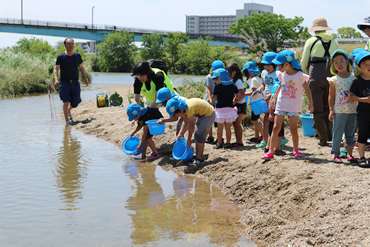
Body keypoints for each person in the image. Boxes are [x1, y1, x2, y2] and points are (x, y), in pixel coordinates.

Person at [263, 50, 314, 160]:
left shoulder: (300, 76)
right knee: (276, 127)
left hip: (293, 106)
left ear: (287, 64)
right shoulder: (281, 74)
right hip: (281, 104)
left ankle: (295, 150)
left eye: (279, 65)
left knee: (293, 129)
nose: (277, 68)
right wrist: (273, 98)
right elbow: (280, 86)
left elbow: (307, 90)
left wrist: (311, 103)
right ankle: (270, 152)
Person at [301, 17, 339, 146]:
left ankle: (322, 138)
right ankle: (329, 136)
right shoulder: (334, 41)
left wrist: (301, 74)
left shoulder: (311, 41)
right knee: (329, 106)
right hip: (331, 75)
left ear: (315, 29)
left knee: (317, 109)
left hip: (316, 75)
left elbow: (304, 60)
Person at [327, 49, 357, 163]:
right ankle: (336, 154)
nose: (339, 64)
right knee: (337, 133)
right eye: (336, 62)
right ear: (333, 65)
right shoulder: (334, 79)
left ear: (347, 62)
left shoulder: (354, 78)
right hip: (339, 111)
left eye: (341, 61)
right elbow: (331, 96)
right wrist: (331, 110)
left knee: (350, 133)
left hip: (352, 110)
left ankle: (350, 154)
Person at [166, 97, 215, 165]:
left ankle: (199, 159)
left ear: (179, 110)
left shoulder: (188, 108)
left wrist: (189, 140)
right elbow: (185, 122)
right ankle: (198, 156)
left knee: (199, 135)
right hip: (202, 115)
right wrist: (181, 133)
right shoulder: (184, 107)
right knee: (197, 135)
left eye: (175, 115)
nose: (175, 117)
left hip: (209, 115)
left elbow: (191, 126)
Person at [53, 38, 89, 125]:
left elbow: (81, 67)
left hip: (75, 83)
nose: (71, 45)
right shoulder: (61, 57)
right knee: (66, 101)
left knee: (76, 101)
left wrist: (85, 78)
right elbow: (56, 69)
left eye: (72, 43)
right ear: (65, 45)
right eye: (68, 44)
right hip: (64, 83)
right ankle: (67, 120)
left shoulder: (77, 55)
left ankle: (69, 110)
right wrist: (56, 79)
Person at [209, 68, 241, 149]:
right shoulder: (233, 85)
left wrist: (211, 100)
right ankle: (228, 143)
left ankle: (219, 143)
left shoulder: (217, 87)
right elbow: (239, 95)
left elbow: (212, 99)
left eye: (216, 79)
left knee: (220, 127)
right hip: (230, 109)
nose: (215, 80)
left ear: (220, 78)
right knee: (228, 127)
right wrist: (234, 100)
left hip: (220, 110)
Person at [349, 51, 370, 166]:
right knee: (362, 134)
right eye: (365, 64)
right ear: (359, 67)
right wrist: (365, 100)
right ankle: (362, 157)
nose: (368, 67)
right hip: (362, 113)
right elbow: (351, 96)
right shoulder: (356, 80)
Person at [241, 61, 264, 143]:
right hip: (259, 101)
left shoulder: (253, 80)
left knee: (253, 120)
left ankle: (264, 135)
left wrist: (243, 94)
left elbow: (253, 93)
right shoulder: (258, 78)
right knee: (256, 120)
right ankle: (257, 136)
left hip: (256, 102)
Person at [203, 60, 225, 144]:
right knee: (209, 119)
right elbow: (208, 89)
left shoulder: (223, 77)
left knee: (219, 121)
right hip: (209, 100)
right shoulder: (209, 77)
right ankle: (210, 136)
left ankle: (220, 138)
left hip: (219, 101)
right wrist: (210, 100)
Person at [225, 63, 246, 147]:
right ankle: (238, 141)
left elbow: (242, 94)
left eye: (228, 72)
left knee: (237, 123)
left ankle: (240, 141)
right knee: (235, 124)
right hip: (236, 105)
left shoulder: (238, 82)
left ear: (233, 72)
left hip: (241, 105)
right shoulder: (232, 81)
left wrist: (235, 101)